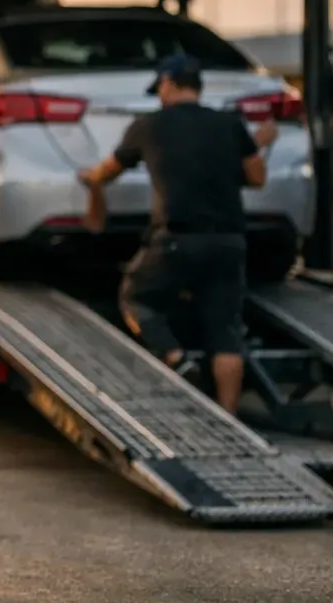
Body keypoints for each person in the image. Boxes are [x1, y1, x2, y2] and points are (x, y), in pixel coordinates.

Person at [78, 53, 277, 415]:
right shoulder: (229, 124)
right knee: (226, 334)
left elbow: (108, 171)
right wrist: (261, 143)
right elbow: (257, 179)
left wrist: (91, 178)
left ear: (167, 84)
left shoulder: (149, 126)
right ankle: (229, 419)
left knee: (136, 298)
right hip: (228, 241)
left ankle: (177, 358)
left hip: (175, 241)